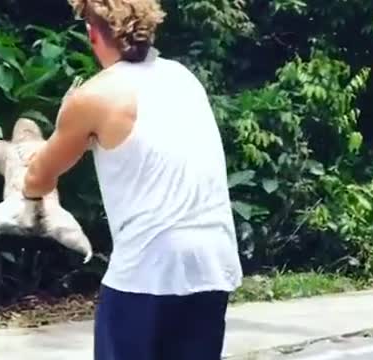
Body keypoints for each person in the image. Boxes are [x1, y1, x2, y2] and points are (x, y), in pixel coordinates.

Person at [22, 0, 243, 359]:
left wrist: (51, 139)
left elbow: (37, 179)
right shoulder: (183, 77)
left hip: (149, 268)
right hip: (212, 264)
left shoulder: (94, 95)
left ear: (92, 33)